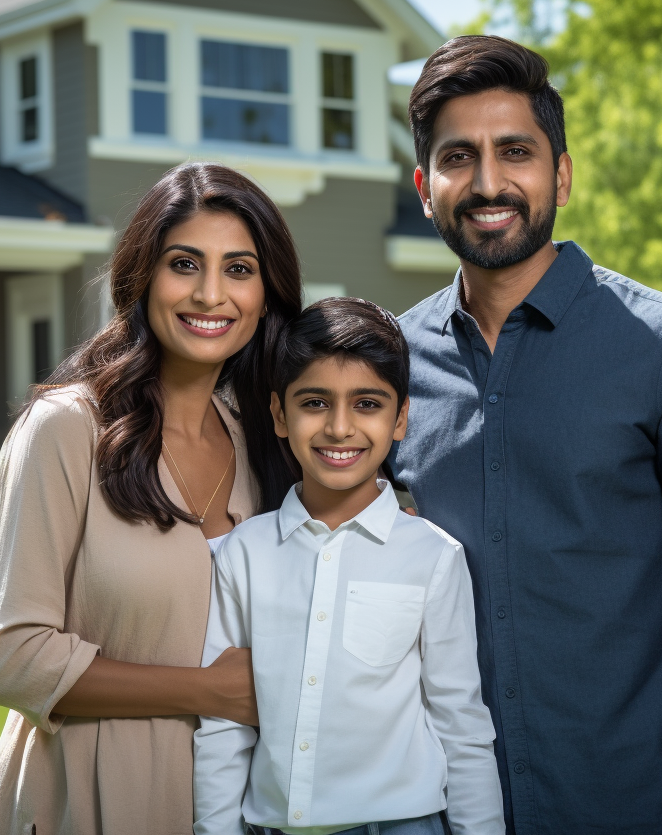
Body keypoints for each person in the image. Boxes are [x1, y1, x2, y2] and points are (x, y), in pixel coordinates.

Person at [392, 36, 662, 835]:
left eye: (517, 152)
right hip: (434, 814)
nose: (490, 182)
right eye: (459, 157)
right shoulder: (386, 369)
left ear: (561, 175)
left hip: (629, 807)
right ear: (426, 187)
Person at [0, 163, 304, 835]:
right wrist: (206, 692)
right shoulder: (66, 429)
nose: (211, 294)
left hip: (223, 808)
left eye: (239, 269)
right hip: (83, 799)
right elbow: (8, 659)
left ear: (267, 295)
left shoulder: (265, 447)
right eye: (186, 264)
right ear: (143, 275)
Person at [193, 298, 505, 835]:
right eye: (315, 402)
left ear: (401, 418)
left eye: (367, 404)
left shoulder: (434, 557)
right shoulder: (240, 555)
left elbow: (462, 726)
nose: (340, 428)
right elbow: (223, 728)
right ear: (278, 415)